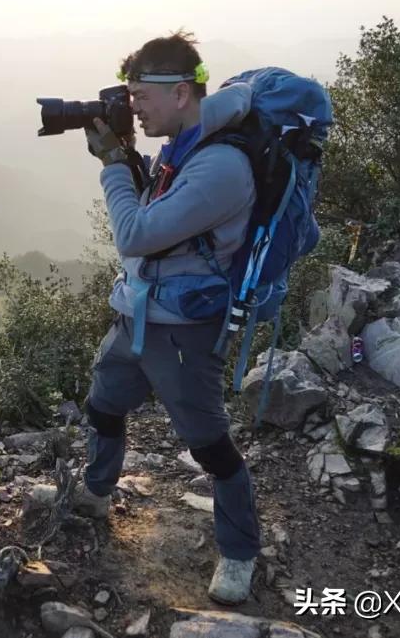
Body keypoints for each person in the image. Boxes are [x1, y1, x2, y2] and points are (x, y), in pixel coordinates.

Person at [81, 30, 262, 605]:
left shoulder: (222, 166)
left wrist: (112, 163)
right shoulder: (183, 144)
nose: (133, 109)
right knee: (104, 402)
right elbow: (158, 219)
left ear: (181, 92)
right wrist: (129, 158)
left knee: (210, 446)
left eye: (140, 98)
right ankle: (95, 492)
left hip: (183, 329)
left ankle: (239, 554)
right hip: (139, 312)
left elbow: (134, 233)